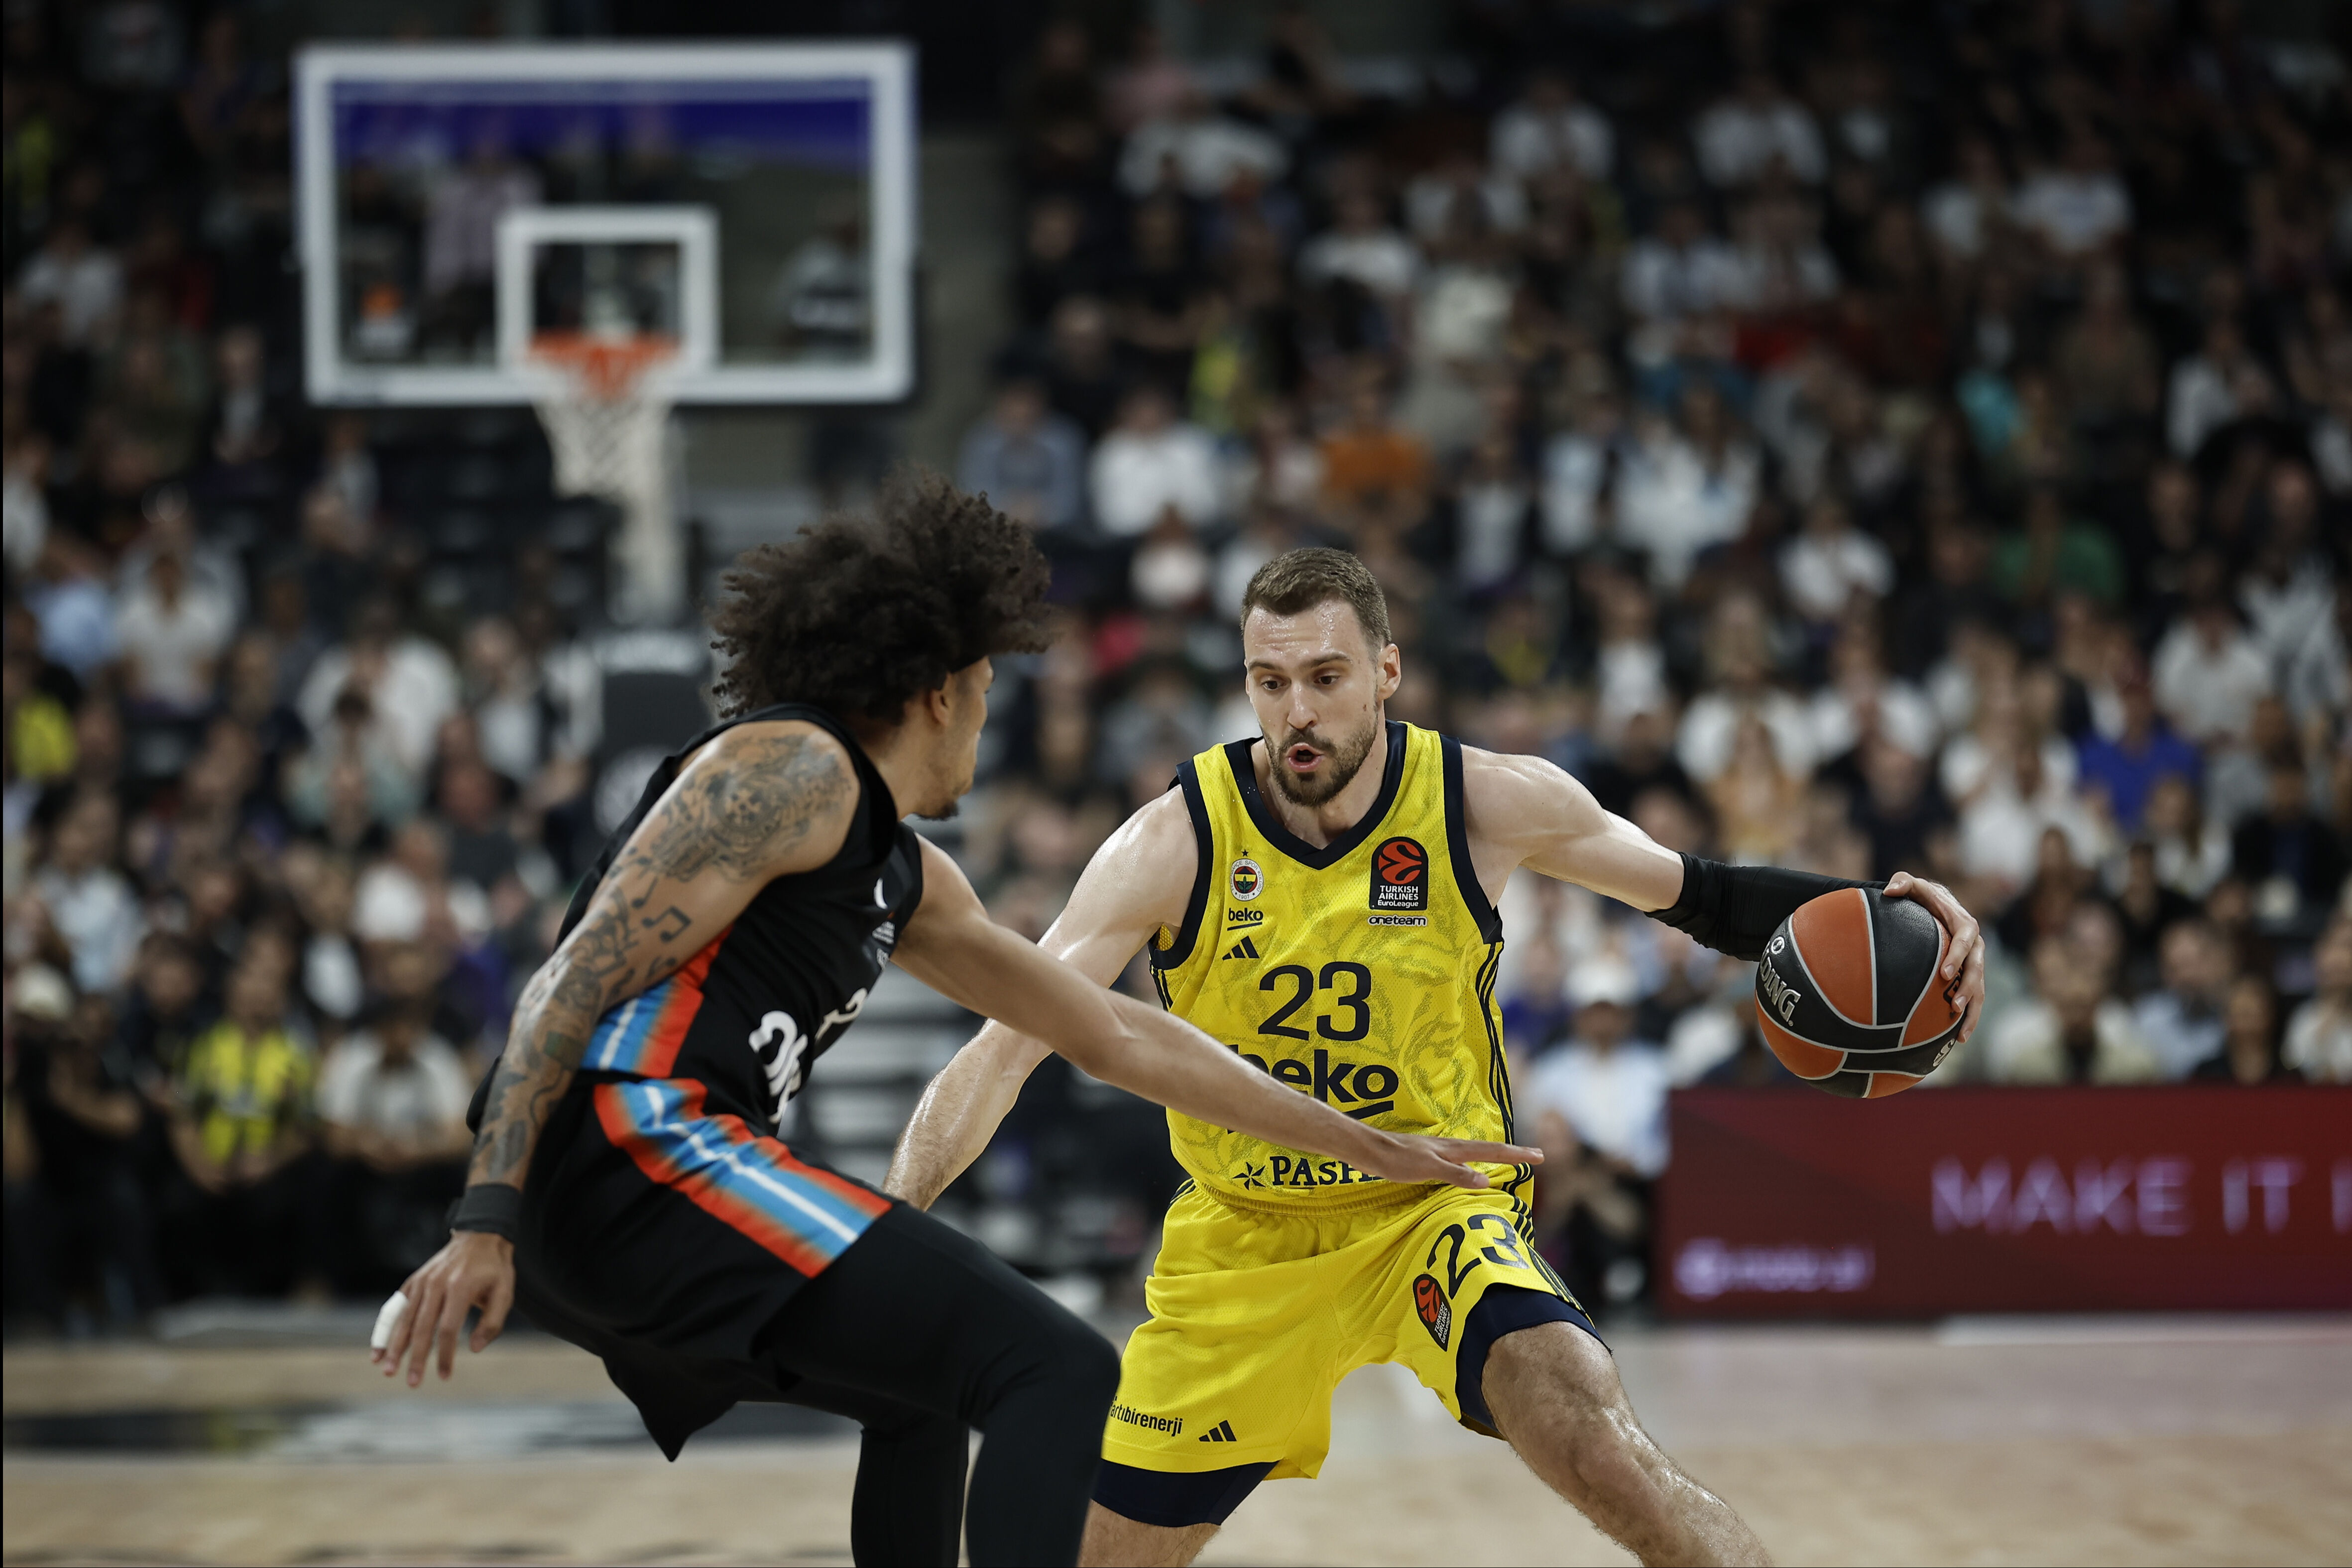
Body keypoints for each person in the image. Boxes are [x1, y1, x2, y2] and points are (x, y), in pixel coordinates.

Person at [371, 479, 1526, 1568]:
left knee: (923, 1388)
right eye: (984, 687)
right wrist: (488, 1210)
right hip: (638, 1154)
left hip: (627, 1196)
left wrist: (1371, 1146)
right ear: (938, 692)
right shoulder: (794, 768)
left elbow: (1122, 1038)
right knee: (1061, 1366)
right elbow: (568, 978)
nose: (988, 716)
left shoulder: (903, 876)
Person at [885, 548, 1987, 1567]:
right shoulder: (1171, 841)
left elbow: (1700, 895)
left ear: (1387, 671)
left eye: (1324, 676)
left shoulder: (1483, 801)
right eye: (1269, 683)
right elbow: (1005, 1047)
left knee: (1592, 1433)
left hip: (1436, 1203)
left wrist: (1884, 910)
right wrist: (887, 1221)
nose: (1296, 712)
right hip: (1245, 1239)